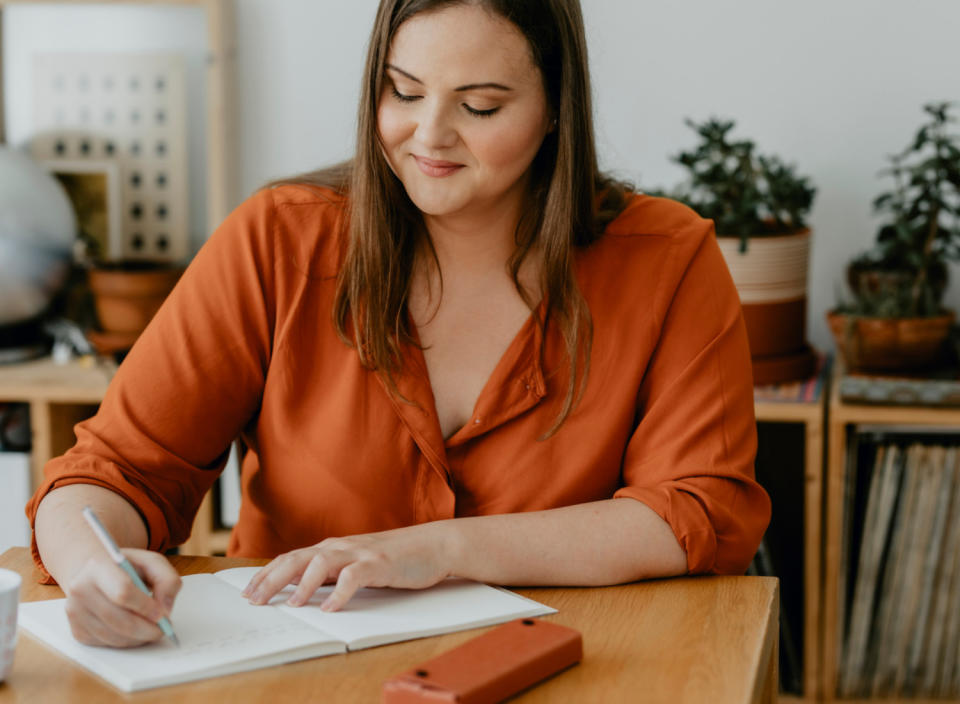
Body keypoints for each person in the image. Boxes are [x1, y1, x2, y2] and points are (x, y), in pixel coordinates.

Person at [28, 0, 771, 648]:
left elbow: (696, 509)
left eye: (480, 107)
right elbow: (114, 472)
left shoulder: (666, 259)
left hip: (568, 665)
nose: (429, 135)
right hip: (298, 669)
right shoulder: (279, 240)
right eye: (403, 91)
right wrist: (95, 569)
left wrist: (439, 549)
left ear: (555, 108)